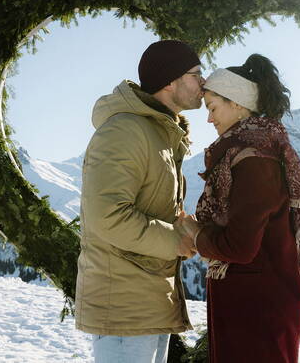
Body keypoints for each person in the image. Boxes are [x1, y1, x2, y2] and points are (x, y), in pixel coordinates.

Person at [177, 54, 300, 363]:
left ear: (237, 103)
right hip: (254, 306)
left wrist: (196, 233)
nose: (209, 120)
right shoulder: (250, 152)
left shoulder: (255, 160)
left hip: (257, 313)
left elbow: (240, 246)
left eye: (213, 108)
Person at [75, 39, 205, 362]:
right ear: (170, 81)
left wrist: (185, 227)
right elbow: (108, 215)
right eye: (196, 74)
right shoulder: (125, 131)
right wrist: (174, 240)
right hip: (124, 308)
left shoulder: (160, 133)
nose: (203, 83)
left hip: (149, 302)